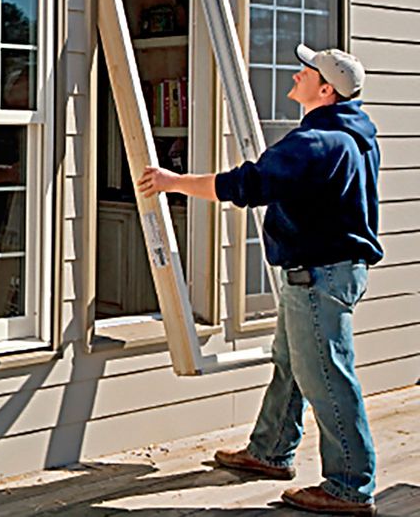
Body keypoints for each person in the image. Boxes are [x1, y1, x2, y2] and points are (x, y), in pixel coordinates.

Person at [137, 44, 382, 516]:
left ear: (326, 89)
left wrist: (172, 181)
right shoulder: (352, 134)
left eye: (305, 71)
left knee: (327, 377)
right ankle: (270, 451)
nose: (295, 75)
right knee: (291, 365)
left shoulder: (318, 143)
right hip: (324, 272)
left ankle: (350, 486)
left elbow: (244, 185)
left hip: (319, 276)